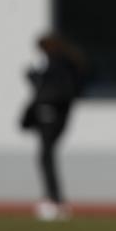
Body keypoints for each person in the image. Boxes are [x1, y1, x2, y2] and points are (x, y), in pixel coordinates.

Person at [20, 33, 85, 221]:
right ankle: (55, 198)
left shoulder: (55, 64)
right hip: (59, 114)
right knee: (46, 155)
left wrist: (34, 78)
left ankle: (54, 199)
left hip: (50, 112)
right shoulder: (69, 62)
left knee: (45, 155)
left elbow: (48, 89)